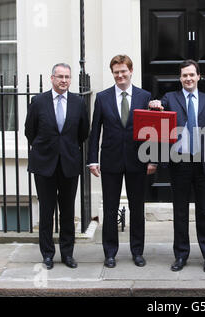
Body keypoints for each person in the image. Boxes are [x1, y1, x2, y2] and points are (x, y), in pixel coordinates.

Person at [149, 59, 205, 273]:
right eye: (184, 75)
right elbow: (157, 115)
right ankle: (181, 255)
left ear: (199, 76)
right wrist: (153, 106)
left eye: (192, 75)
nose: (188, 79)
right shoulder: (170, 98)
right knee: (180, 211)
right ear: (180, 78)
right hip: (179, 163)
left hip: (202, 163)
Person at [87, 55, 155, 268]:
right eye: (116, 72)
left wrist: (152, 160)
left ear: (131, 71)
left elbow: (152, 132)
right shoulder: (103, 97)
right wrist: (92, 160)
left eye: (123, 71)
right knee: (110, 208)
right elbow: (95, 130)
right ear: (113, 73)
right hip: (110, 160)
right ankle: (110, 253)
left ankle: (137, 252)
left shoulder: (145, 96)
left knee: (137, 209)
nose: (120, 75)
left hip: (138, 160)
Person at [25, 63, 90, 270]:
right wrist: (46, 148)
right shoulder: (38, 102)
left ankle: (67, 254)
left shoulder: (78, 102)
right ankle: (47, 254)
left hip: (69, 164)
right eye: (60, 77)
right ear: (52, 78)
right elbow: (30, 131)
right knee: (46, 211)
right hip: (44, 164)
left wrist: (66, 148)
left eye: (67, 77)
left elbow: (83, 133)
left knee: (68, 212)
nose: (64, 81)